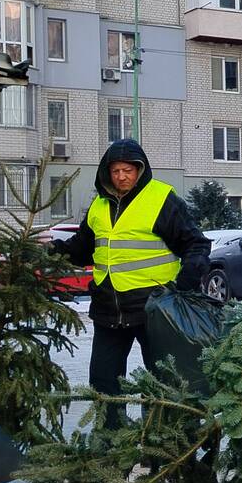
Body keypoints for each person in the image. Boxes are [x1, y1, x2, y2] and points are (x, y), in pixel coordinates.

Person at [51, 139, 211, 426]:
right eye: (115, 171)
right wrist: (54, 252)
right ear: (106, 173)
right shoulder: (99, 206)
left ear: (140, 170)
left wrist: (185, 284)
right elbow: (84, 247)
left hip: (155, 311)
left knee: (165, 383)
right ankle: (111, 445)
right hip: (108, 310)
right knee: (103, 383)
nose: (122, 177)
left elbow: (196, 244)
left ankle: (165, 447)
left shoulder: (161, 199)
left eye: (128, 170)